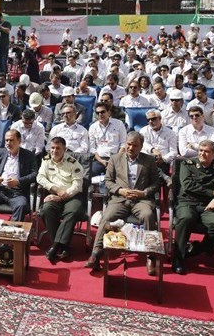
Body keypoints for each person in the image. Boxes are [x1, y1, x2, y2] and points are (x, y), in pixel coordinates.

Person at [87, 132, 160, 274]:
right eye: (129, 144)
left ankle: (151, 256)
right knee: (107, 217)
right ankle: (95, 254)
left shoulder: (149, 160)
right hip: (120, 199)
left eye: (135, 145)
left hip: (141, 199)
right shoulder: (115, 159)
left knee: (148, 215)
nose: (131, 148)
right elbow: (108, 181)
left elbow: (156, 183)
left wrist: (144, 193)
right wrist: (120, 190)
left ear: (141, 147)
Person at [172, 140, 214, 274]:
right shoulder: (187, 164)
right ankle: (178, 258)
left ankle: (198, 249)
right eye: (200, 150)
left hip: (208, 206)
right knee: (186, 218)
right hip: (188, 202)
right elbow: (188, 185)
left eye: (206, 151)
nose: (202, 154)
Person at [0, 129, 37, 252]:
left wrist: (18, 181)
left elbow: (34, 174)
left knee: (21, 206)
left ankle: (7, 241)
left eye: (11, 140)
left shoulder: (28, 155)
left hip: (17, 192)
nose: (8, 143)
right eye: (6, 140)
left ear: (19, 141)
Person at [37, 136, 86, 264]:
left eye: (58, 148)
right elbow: (40, 178)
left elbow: (77, 186)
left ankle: (54, 246)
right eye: (52, 148)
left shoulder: (73, 163)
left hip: (72, 196)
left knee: (73, 212)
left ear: (65, 149)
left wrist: (61, 196)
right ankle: (63, 246)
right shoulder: (46, 160)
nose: (54, 151)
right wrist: (54, 188)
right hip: (54, 194)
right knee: (46, 209)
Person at [88, 102, 127, 176]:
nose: (100, 114)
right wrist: (101, 161)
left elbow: (123, 144)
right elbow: (92, 148)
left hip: (117, 158)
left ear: (109, 113)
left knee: (121, 175)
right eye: (97, 113)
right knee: (91, 173)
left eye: (102, 112)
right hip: (100, 160)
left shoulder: (119, 124)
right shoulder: (93, 127)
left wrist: (115, 160)